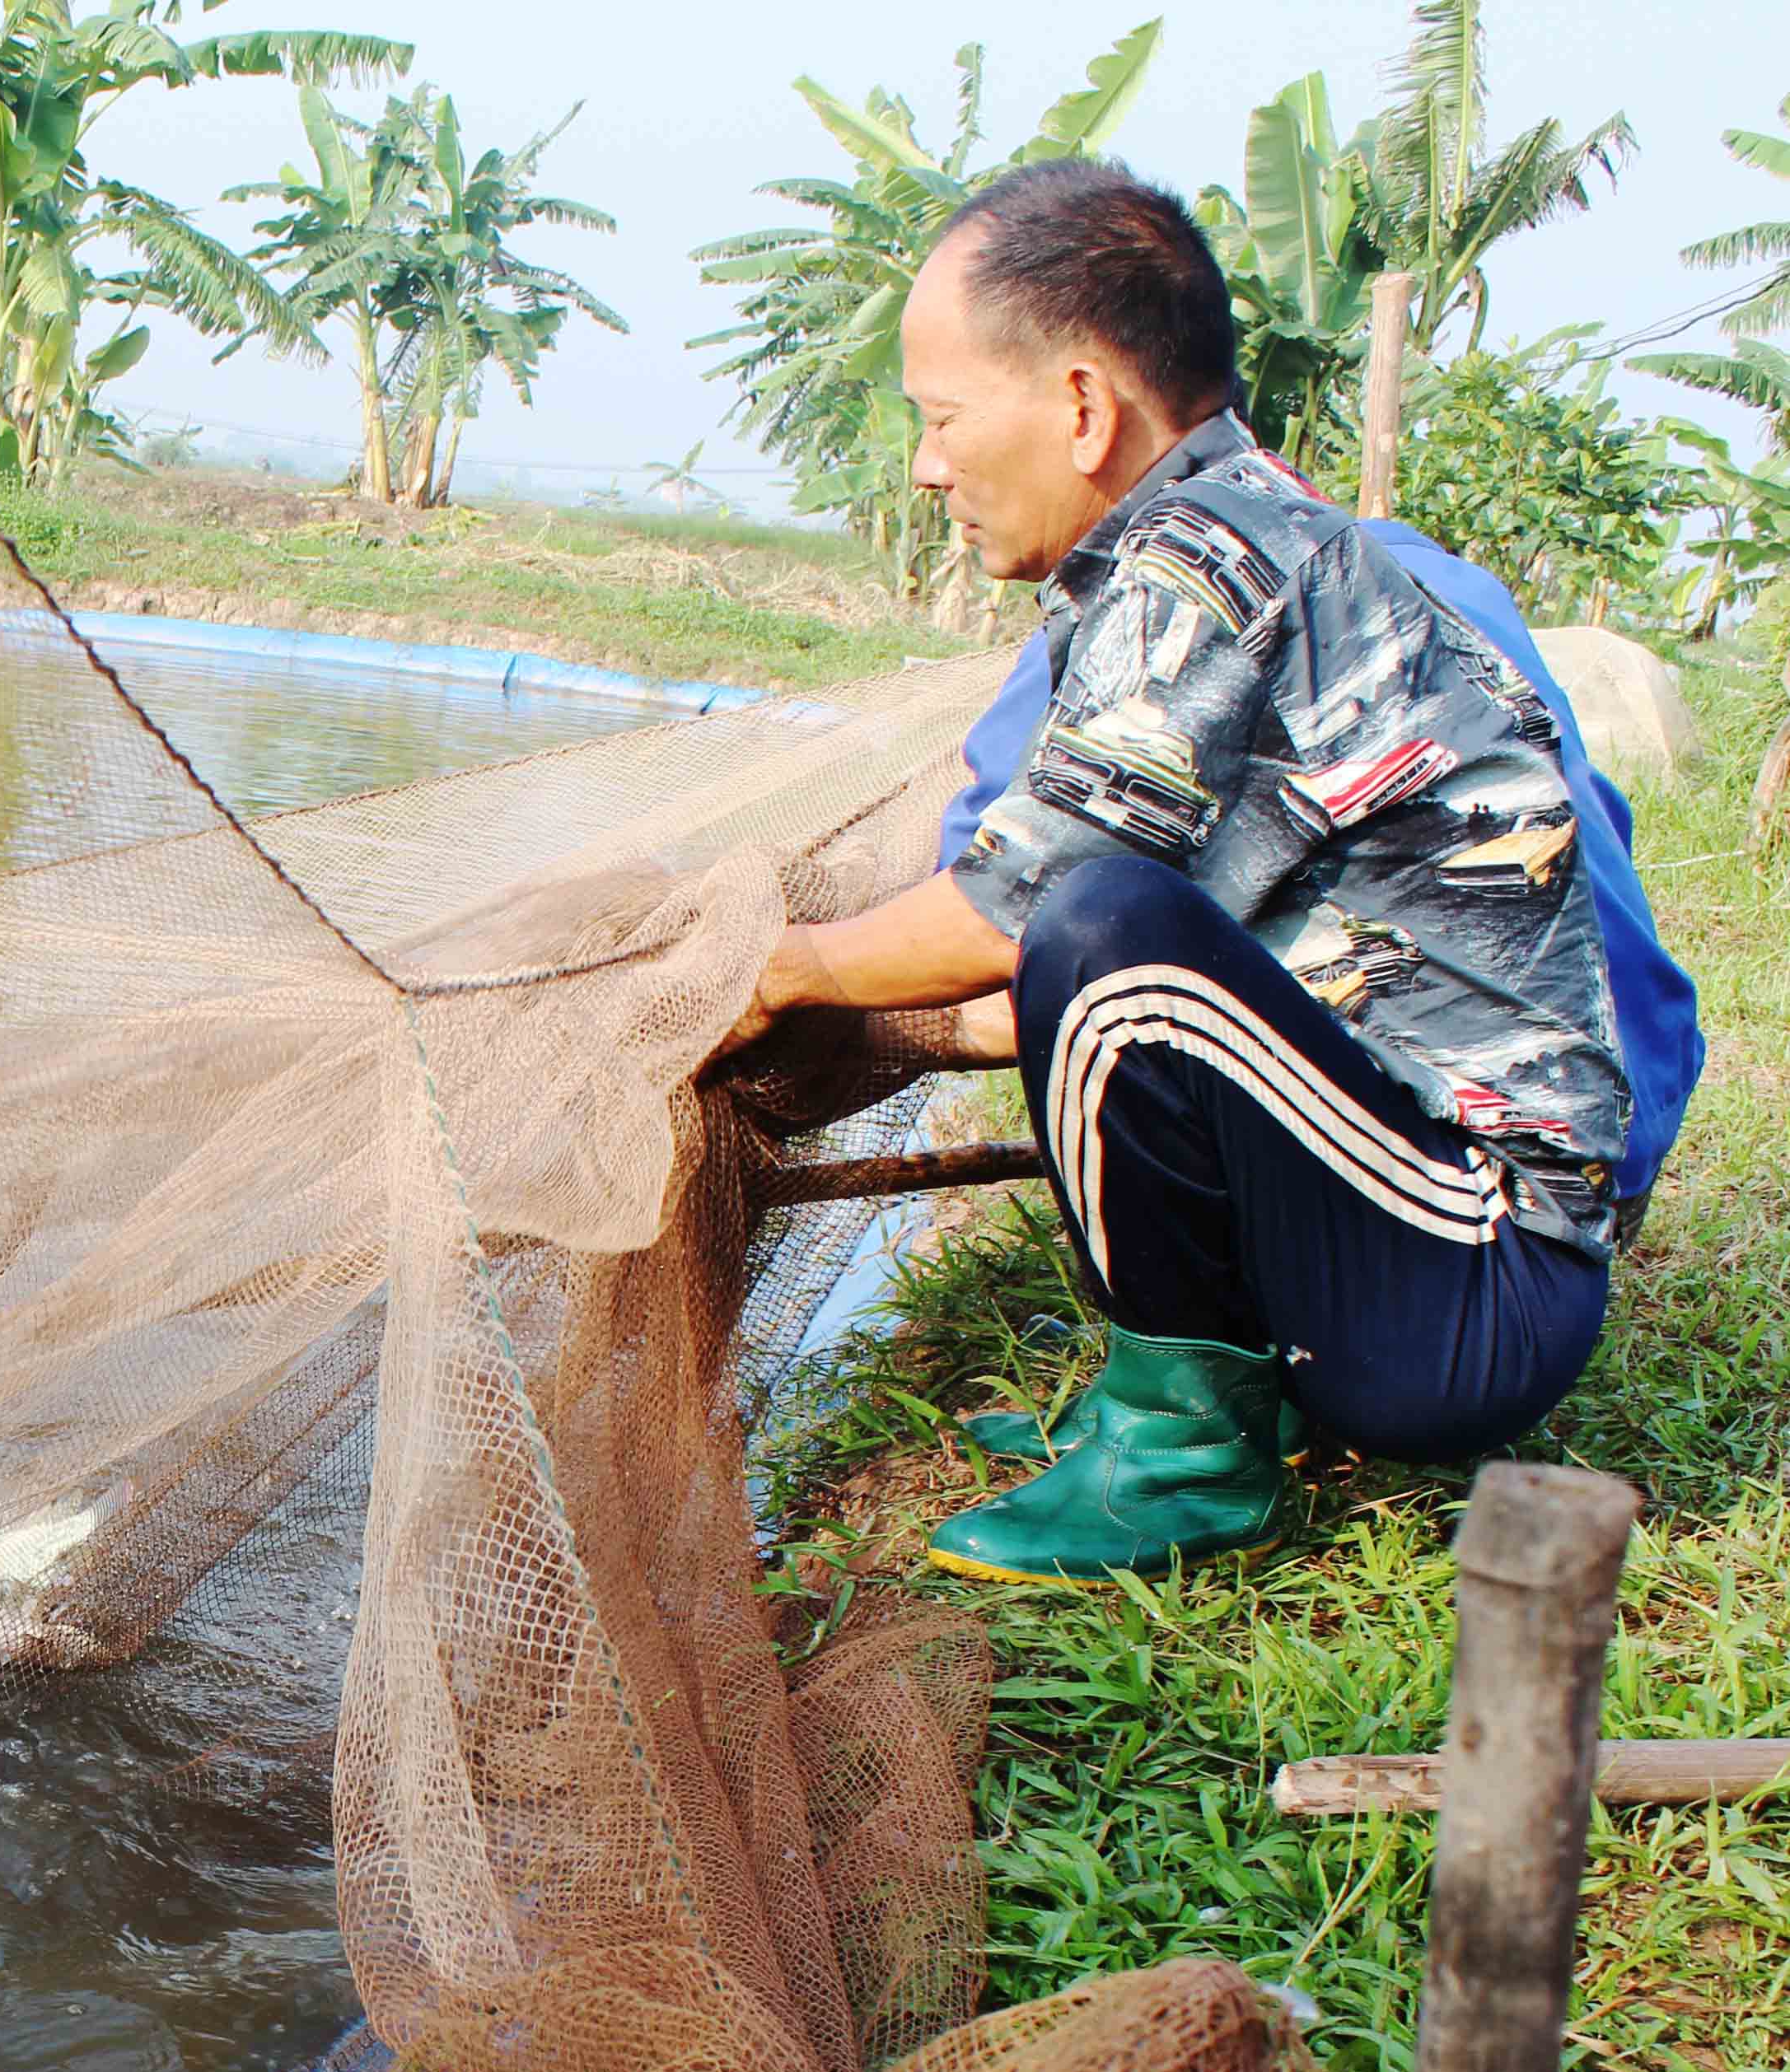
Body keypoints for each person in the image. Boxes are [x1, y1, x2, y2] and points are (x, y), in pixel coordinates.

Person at [722, 160, 1704, 1584]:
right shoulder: (1228, 537)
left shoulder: (1206, 558)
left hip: (1480, 1270)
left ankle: (1179, 1460)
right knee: (1099, 941)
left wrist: (782, 973)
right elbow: (1038, 1002)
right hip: (1430, 1247)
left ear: (1079, 406)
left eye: (939, 419)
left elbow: (1023, 905)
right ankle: (1204, 1403)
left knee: (1100, 919)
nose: (927, 466)